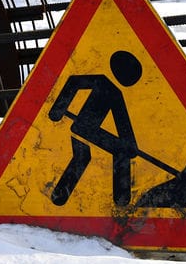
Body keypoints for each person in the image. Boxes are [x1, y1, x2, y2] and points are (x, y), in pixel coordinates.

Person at [47, 50, 142, 206]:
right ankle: (121, 199)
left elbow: (122, 123)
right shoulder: (103, 83)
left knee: (82, 157)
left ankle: (59, 197)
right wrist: (57, 110)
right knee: (120, 151)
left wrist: (131, 145)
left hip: (86, 128)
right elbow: (73, 83)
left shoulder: (114, 92)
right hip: (85, 128)